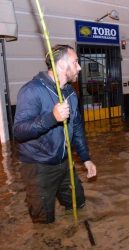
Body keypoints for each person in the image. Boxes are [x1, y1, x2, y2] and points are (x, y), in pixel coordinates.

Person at [13, 44, 97, 223]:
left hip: (65, 163)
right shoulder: (32, 90)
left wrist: (86, 158)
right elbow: (19, 132)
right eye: (75, 63)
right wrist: (51, 117)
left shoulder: (70, 93)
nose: (80, 67)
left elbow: (77, 128)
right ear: (61, 65)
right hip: (38, 166)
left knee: (79, 204)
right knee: (44, 222)